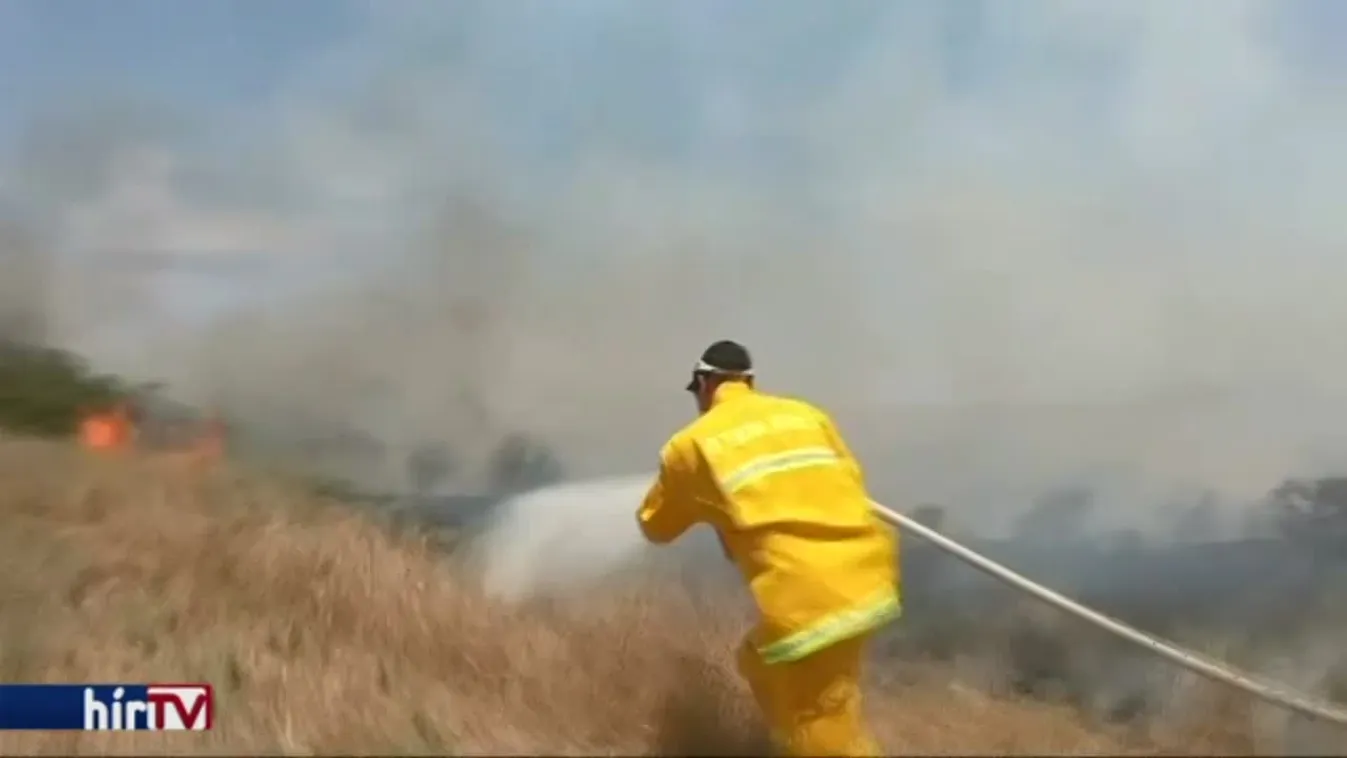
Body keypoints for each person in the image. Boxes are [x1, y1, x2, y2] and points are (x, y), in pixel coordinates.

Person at [636, 340, 900, 756]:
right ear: (750, 381)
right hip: (868, 574)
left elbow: (655, 526)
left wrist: (707, 506)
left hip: (807, 600)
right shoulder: (806, 416)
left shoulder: (691, 445)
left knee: (819, 725)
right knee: (762, 664)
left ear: (705, 384)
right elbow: (847, 479)